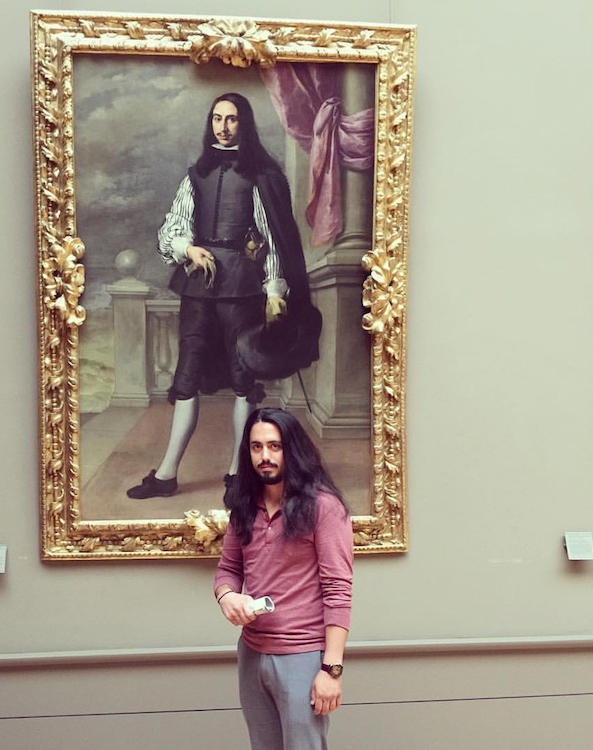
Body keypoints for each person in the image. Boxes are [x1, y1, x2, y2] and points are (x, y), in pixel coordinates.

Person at [127, 93, 318, 500]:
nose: (223, 127)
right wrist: (188, 249)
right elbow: (172, 228)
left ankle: (237, 475)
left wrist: (273, 290)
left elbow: (272, 240)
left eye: (231, 119)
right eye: (217, 118)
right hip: (199, 287)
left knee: (242, 379)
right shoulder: (196, 174)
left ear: (243, 123)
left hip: (242, 288)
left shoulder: (261, 175)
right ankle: (166, 474)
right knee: (187, 377)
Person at [214, 407, 353, 750]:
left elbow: (338, 590)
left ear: (292, 449)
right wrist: (227, 596)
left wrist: (331, 670)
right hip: (251, 652)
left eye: (275, 446)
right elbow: (228, 569)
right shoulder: (244, 505)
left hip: (302, 655)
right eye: (256, 447)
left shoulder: (325, 507)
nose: (265, 456)